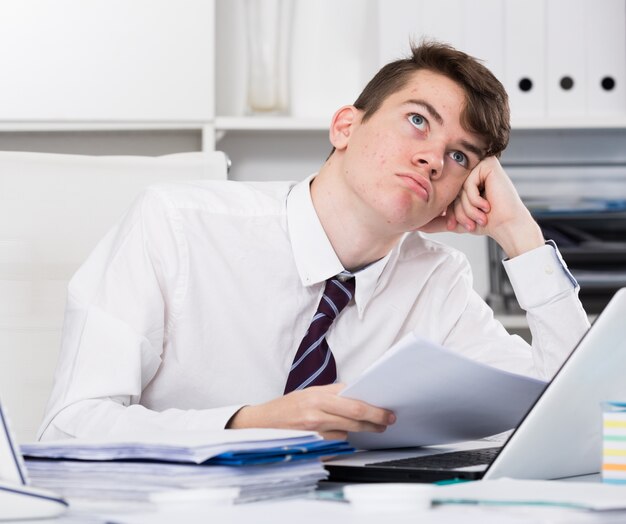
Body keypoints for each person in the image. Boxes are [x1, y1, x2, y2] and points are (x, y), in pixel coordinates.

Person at [39, 41, 590, 442]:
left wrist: (521, 236)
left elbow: (568, 410)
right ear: (346, 127)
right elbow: (71, 424)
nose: (432, 157)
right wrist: (251, 422)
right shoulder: (177, 226)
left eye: (460, 157)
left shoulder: (436, 281)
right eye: (418, 121)